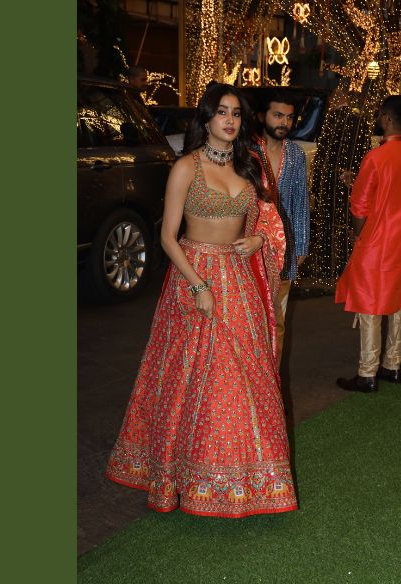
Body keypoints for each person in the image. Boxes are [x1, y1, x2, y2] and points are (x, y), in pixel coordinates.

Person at [105, 83, 298, 517]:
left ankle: (245, 482)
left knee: (247, 379)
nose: (229, 120)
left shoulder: (249, 166)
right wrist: (198, 286)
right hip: (195, 277)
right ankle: (191, 479)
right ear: (207, 119)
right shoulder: (186, 167)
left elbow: (263, 221)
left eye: (236, 113)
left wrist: (258, 240)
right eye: (221, 112)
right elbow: (167, 237)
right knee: (196, 379)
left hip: (239, 281)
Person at [334, 95, 401, 393]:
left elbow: (359, 207)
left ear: (386, 118)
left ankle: (367, 372)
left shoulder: (376, 157)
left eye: (378, 115)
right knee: (398, 302)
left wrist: (358, 235)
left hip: (375, 242)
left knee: (369, 304)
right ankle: (392, 365)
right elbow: (396, 194)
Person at [253, 90, 310, 366]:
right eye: (278, 115)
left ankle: (272, 379)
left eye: (289, 117)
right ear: (261, 115)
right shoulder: (247, 151)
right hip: (249, 249)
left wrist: (301, 246)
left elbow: (301, 201)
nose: (284, 123)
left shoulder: (296, 154)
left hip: (283, 251)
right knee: (250, 320)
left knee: (277, 320)